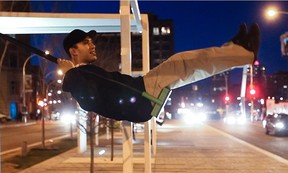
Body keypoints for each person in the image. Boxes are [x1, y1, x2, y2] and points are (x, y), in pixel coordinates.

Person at [58, 23, 260, 123]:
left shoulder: (82, 75)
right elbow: (89, 101)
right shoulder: (79, 78)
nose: (92, 45)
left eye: (92, 41)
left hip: (140, 92)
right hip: (141, 96)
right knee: (183, 62)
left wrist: (74, 73)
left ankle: (237, 50)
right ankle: (242, 50)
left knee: (189, 67)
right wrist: (71, 73)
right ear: (74, 51)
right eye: (86, 43)